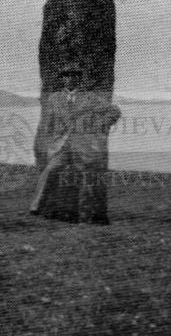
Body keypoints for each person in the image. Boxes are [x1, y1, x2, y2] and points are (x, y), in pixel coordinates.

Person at [30, 65, 121, 224]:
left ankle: (86, 215)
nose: (70, 78)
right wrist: (50, 141)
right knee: (50, 170)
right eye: (66, 75)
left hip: (83, 146)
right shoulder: (54, 98)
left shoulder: (89, 97)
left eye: (74, 75)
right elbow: (48, 123)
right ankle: (36, 207)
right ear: (62, 79)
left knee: (87, 176)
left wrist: (100, 125)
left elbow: (114, 111)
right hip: (61, 146)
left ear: (79, 78)